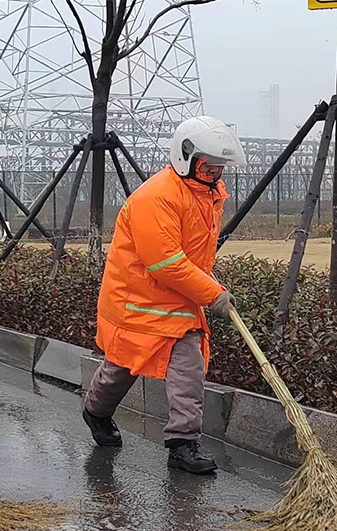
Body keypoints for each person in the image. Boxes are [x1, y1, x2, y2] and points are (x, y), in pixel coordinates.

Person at [82, 116, 246, 474]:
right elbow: (166, 263)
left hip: (177, 303)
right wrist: (212, 293)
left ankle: (182, 445)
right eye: (207, 166)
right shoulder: (155, 198)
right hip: (137, 303)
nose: (214, 173)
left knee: (189, 370)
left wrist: (203, 286)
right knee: (120, 370)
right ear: (186, 156)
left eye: (219, 168)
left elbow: (191, 254)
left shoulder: (209, 195)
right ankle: (95, 411)